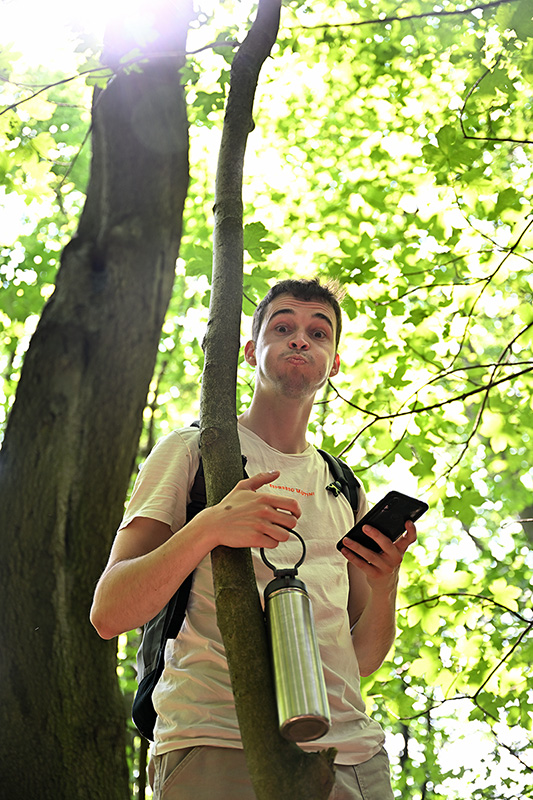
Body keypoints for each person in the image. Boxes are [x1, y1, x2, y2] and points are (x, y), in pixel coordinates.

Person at [90, 278, 417, 800]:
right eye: (282, 327)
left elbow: (359, 660)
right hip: (216, 741)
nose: (299, 340)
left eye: (318, 332)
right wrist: (210, 526)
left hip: (351, 758)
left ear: (333, 363)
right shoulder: (194, 451)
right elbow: (109, 612)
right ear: (249, 351)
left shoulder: (343, 485)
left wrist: (387, 583)